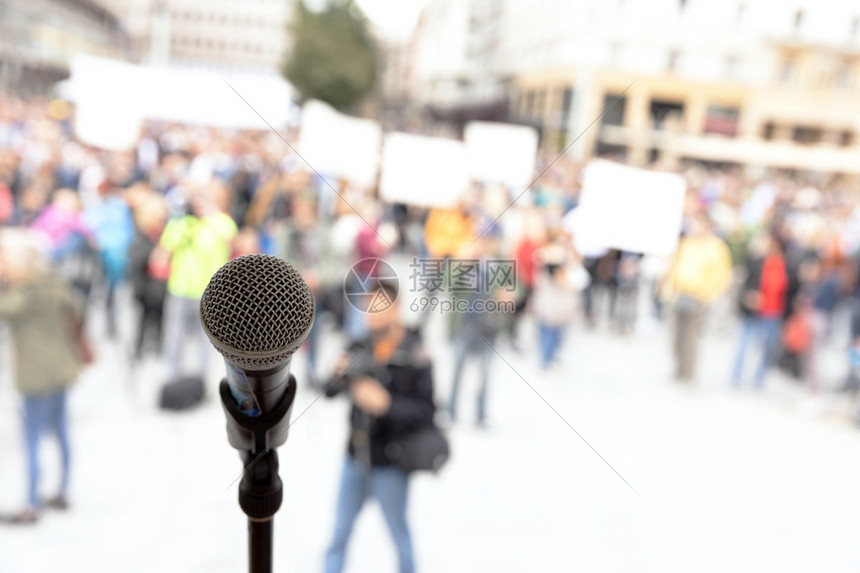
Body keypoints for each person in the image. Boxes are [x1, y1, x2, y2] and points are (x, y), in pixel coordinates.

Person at [324, 283, 434, 573]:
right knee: (338, 534)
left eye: (378, 307)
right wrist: (337, 374)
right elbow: (329, 392)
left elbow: (426, 412)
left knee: (400, 535)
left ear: (396, 308)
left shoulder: (416, 354)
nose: (371, 316)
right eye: (366, 308)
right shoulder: (359, 345)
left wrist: (386, 405)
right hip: (354, 457)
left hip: (391, 463)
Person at [0, 230, 86, 524]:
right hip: (61, 367)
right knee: (61, 431)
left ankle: (30, 503)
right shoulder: (54, 282)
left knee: (32, 438)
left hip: (35, 376)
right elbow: (77, 306)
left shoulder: (20, 295)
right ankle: (62, 490)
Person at [153, 185, 237, 381]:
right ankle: (172, 375)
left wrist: (210, 216)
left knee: (205, 339)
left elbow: (230, 238)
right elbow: (162, 252)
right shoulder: (181, 224)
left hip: (209, 292)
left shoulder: (221, 222)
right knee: (174, 335)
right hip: (180, 288)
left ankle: (201, 378)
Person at [663, 214, 733, 381]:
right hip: (681, 292)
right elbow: (675, 266)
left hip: (699, 297)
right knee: (677, 334)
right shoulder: (687, 243)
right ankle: (678, 368)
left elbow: (721, 276)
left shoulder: (717, 248)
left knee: (690, 336)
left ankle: (688, 371)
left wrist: (707, 294)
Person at [731, 233, 789, 389]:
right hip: (753, 311)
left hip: (773, 312)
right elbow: (747, 282)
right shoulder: (756, 261)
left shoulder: (785, 265)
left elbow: (788, 290)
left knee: (767, 348)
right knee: (744, 344)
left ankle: (759, 379)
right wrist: (749, 296)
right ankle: (736, 376)